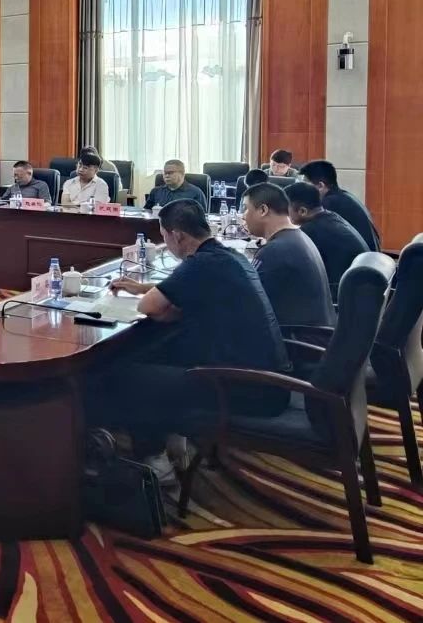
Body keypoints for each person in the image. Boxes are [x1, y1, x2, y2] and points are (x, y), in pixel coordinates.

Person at [92, 200, 290, 479]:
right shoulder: (227, 256)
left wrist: (154, 300)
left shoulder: (201, 263)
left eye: (164, 236)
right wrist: (144, 288)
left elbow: (149, 307)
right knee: (159, 353)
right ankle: (175, 441)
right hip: (266, 378)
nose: (166, 242)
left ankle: (156, 463)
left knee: (130, 375)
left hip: (246, 388)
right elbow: (190, 293)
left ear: (177, 235)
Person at [241, 183, 333, 326]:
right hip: (317, 332)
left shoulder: (274, 251)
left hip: (295, 336)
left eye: (246, 208)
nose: (243, 216)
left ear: (263, 210)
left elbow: (247, 300)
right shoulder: (299, 237)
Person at [285, 181, 369, 302]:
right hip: (358, 292)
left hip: (340, 297)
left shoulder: (311, 230)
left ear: (302, 211)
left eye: (286, 210)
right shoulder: (331, 217)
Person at [297, 160, 380, 252]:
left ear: (320, 186)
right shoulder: (345, 197)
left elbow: (308, 235)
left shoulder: (329, 204)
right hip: (369, 256)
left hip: (359, 258)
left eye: (305, 186)